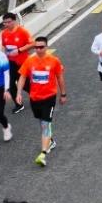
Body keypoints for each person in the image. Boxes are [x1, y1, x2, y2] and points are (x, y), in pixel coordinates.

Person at [17, 36, 67, 167]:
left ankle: (43, 153)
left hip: (49, 98)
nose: (39, 49)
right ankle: (50, 141)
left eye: (41, 47)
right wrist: (18, 93)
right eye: (36, 47)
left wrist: (63, 94)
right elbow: (22, 77)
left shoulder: (54, 61)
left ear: (46, 47)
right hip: (34, 98)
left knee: (45, 124)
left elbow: (60, 77)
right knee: (42, 122)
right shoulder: (30, 61)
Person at [0, 12, 33, 113]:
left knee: (25, 85)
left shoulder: (23, 31)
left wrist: (19, 50)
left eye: (8, 22)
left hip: (23, 63)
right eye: (4, 23)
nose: (6, 24)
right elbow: (4, 46)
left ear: (14, 21)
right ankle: (19, 105)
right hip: (11, 62)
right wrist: (2, 56)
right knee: (9, 84)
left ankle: (37, 96)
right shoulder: (4, 33)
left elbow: (32, 44)